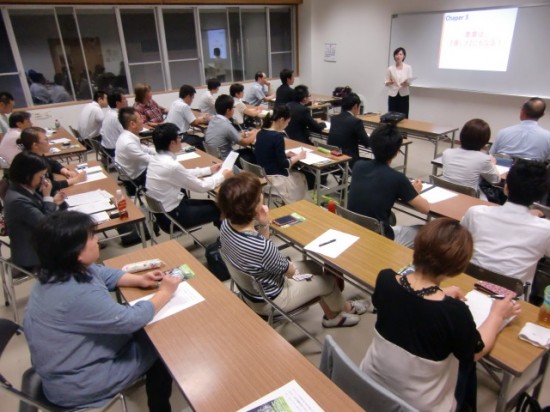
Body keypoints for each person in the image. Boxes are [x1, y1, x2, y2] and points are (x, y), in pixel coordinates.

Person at [360, 218, 520, 411]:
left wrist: (438, 294)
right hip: (415, 405)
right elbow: (475, 352)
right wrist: (497, 315)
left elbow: (410, 307)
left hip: (370, 382)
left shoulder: (386, 278)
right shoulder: (453, 312)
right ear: (457, 268)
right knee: (466, 367)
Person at [24, 211, 178, 410]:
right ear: (76, 252)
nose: (97, 240)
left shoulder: (58, 271)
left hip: (69, 365)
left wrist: (138, 279)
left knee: (152, 328)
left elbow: (100, 272)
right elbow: (131, 320)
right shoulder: (76, 295)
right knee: (162, 342)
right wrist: (165, 292)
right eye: (91, 236)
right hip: (81, 383)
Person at [218, 172, 369, 327]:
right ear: (254, 208)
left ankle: (331, 315)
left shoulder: (226, 226)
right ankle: (346, 309)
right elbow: (289, 272)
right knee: (328, 281)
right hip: (273, 299)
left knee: (315, 266)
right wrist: (299, 274)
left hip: (251, 292)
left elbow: (262, 255)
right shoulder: (262, 247)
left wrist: (264, 224)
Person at [461, 159, 550, 286]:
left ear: (506, 187)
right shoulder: (546, 229)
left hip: (468, 281)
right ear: (540, 196)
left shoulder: (476, 213)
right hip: (511, 295)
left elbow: (461, 239)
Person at [347, 123, 429, 247]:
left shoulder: (358, 166)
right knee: (425, 232)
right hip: (379, 238)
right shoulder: (397, 178)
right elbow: (425, 208)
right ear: (396, 152)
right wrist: (414, 191)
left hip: (355, 230)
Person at [146, 123, 231, 231]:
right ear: (172, 143)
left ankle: (224, 239)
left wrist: (209, 170)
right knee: (218, 208)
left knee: (212, 204)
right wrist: (222, 176)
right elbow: (202, 187)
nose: (180, 140)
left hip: (163, 213)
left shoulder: (156, 159)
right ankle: (226, 241)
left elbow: (183, 173)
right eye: (179, 137)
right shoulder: (171, 166)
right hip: (172, 217)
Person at [4, 152, 64, 270]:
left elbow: (38, 212)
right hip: (33, 255)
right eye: (41, 176)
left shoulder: (21, 187)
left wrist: (51, 202)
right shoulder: (18, 200)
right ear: (27, 175)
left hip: (34, 240)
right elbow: (46, 225)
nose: (43, 180)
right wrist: (47, 197)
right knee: (78, 246)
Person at [254, 105, 308, 203]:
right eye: (287, 122)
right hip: (274, 179)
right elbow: (285, 164)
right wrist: (298, 156)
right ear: (282, 120)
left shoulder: (261, 133)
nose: (287, 125)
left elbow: (267, 151)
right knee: (301, 177)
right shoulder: (277, 137)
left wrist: (284, 154)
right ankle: (296, 205)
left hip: (263, 174)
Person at [442, 118, 500, 199]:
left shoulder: (447, 153)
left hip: (445, 195)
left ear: (462, 135)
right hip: (469, 199)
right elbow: (495, 180)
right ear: (484, 141)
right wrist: (493, 164)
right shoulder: (483, 159)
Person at [18, 126, 86, 193]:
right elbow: (46, 186)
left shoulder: (38, 154)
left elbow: (52, 164)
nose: (49, 142)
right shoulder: (31, 162)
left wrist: (65, 171)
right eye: (46, 139)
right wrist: (76, 179)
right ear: (35, 145)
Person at [115, 107, 155, 196]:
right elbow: (149, 159)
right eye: (140, 118)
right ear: (132, 124)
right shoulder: (128, 143)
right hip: (135, 177)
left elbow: (144, 149)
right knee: (166, 171)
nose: (143, 120)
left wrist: (159, 151)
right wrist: (166, 157)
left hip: (132, 171)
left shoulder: (126, 136)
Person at [204, 94, 258, 161]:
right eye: (233, 108)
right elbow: (244, 143)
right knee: (252, 153)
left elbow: (226, 136)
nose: (233, 109)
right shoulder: (226, 125)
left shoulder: (213, 120)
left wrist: (242, 134)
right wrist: (256, 133)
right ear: (228, 110)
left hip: (214, 156)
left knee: (246, 151)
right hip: (226, 160)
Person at [327, 92, 370, 167]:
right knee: (375, 163)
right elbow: (367, 143)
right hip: (349, 161)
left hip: (333, 160)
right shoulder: (356, 121)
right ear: (355, 106)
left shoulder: (334, 118)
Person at [165, 84, 209, 150]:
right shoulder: (184, 106)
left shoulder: (175, 103)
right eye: (192, 98)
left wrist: (199, 119)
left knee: (196, 137)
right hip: (180, 136)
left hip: (169, 135)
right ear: (188, 96)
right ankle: (204, 158)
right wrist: (204, 119)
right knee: (200, 139)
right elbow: (193, 122)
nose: (192, 100)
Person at [385, 47, 412, 118]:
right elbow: (386, 82)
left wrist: (406, 83)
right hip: (393, 95)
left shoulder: (408, 67)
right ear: (394, 56)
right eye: (396, 54)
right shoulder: (390, 68)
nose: (398, 56)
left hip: (404, 95)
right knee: (391, 115)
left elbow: (409, 82)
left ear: (404, 56)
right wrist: (389, 82)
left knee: (404, 116)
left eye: (400, 54)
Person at [101, 89, 128, 158]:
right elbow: (127, 136)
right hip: (114, 152)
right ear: (118, 103)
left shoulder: (108, 113)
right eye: (124, 99)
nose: (127, 101)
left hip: (106, 150)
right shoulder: (117, 117)